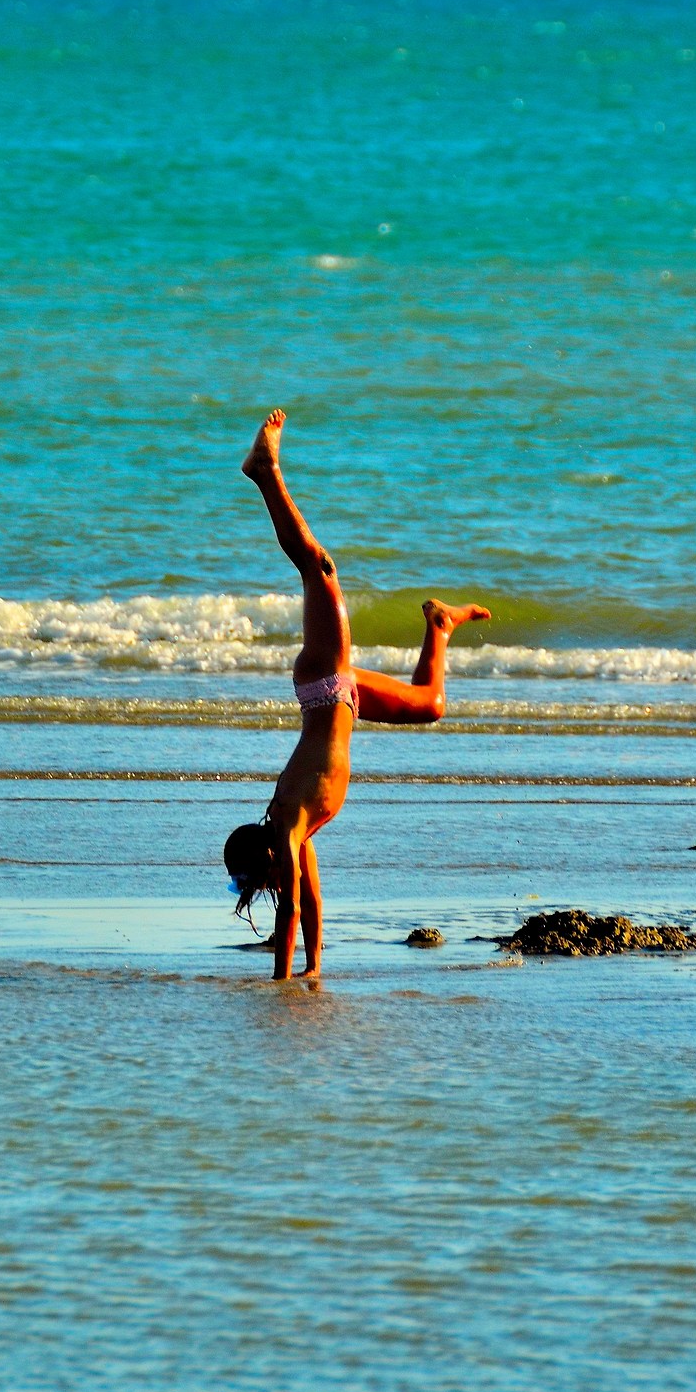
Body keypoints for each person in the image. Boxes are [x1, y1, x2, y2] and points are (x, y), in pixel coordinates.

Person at [224, 409, 488, 985]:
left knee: (319, 567)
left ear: (266, 859)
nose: (272, 888)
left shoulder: (289, 826)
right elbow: (309, 905)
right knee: (430, 705)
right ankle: (439, 624)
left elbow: (289, 910)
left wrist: (280, 979)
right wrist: (312, 972)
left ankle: (265, 473)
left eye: (258, 880)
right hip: (346, 698)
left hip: (325, 683)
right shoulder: (298, 836)